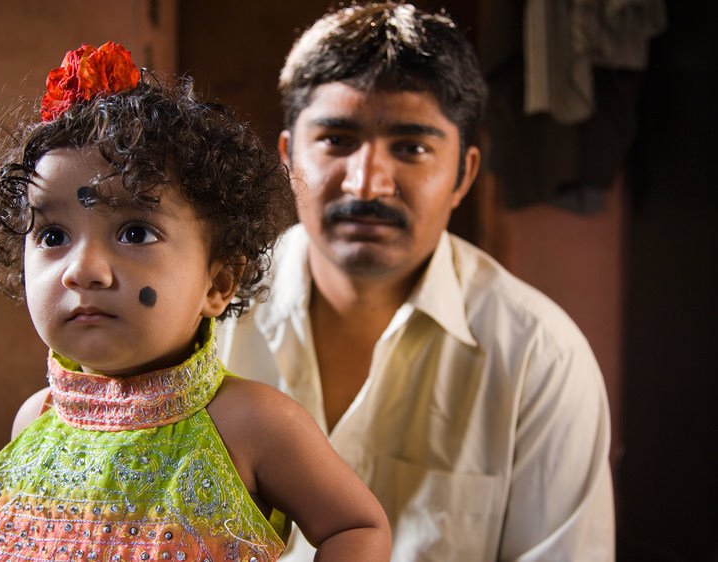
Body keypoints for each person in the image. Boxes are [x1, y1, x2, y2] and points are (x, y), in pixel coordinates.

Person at [216, 3, 616, 561]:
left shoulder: (539, 358)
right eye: (336, 139)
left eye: (411, 147)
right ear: (289, 157)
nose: (368, 182)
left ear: (463, 174)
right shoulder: (201, 313)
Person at [0, 41, 390, 562]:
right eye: (53, 236)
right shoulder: (35, 422)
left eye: (134, 232)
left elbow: (356, 527)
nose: (82, 269)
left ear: (218, 282)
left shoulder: (251, 424)